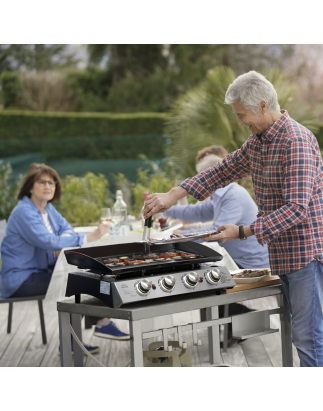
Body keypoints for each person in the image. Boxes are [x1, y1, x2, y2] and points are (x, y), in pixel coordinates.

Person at [144, 71, 323, 367]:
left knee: (309, 338)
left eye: (242, 115)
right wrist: (173, 195)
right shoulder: (258, 142)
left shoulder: (296, 141)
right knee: (303, 336)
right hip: (283, 255)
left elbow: (296, 209)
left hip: (306, 255)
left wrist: (242, 231)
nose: (239, 122)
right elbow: (221, 171)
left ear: (263, 105)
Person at [0, 163, 129, 352]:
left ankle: (97, 324)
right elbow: (47, 241)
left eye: (51, 183)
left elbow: (66, 229)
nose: (47, 187)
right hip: (20, 278)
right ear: (30, 187)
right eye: (41, 182)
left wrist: (59, 241)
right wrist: (87, 237)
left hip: (42, 270)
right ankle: (81, 336)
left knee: (86, 275)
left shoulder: (48, 209)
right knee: (75, 283)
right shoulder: (24, 212)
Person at [163, 146, 270, 346]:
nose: (199, 185)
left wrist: (177, 237)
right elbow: (195, 213)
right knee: (201, 276)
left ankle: (242, 320)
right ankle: (230, 325)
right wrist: (166, 210)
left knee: (202, 279)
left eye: (201, 178)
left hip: (250, 264)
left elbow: (217, 232)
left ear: (212, 175)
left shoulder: (234, 195)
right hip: (236, 261)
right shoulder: (221, 195)